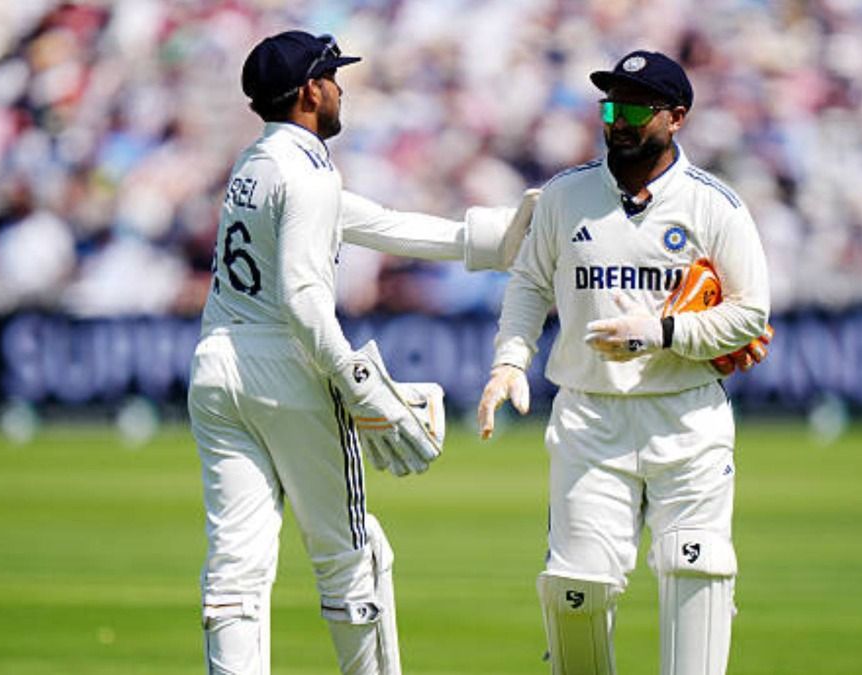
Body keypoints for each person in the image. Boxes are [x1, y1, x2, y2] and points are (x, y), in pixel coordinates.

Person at [187, 30, 535, 675]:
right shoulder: (310, 171)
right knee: (350, 556)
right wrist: (355, 380)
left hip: (215, 366)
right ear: (312, 91)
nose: (342, 88)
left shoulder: (255, 164)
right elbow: (302, 300)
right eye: (334, 78)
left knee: (235, 567)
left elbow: (377, 222)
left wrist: (494, 240)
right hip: (286, 369)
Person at [476, 50, 771, 675]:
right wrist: (509, 361)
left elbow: (751, 315)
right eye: (612, 107)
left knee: (699, 570)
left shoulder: (715, 205)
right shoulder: (564, 195)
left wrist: (662, 332)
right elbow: (530, 284)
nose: (619, 121)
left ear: (677, 117)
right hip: (590, 418)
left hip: (686, 420)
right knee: (573, 593)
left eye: (636, 108)